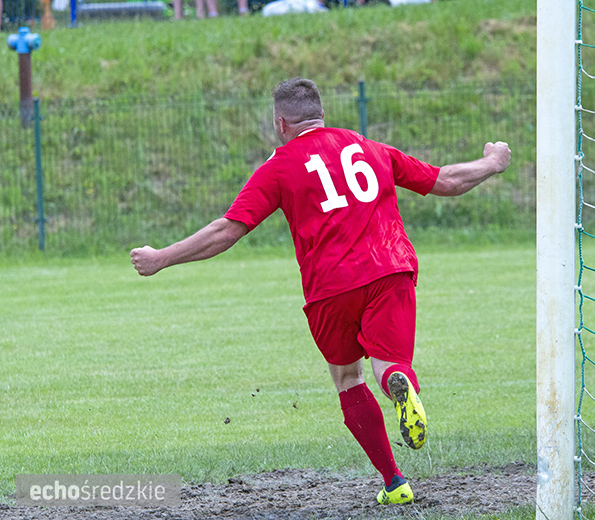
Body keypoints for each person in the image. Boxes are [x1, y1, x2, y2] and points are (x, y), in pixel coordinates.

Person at [130, 77, 511, 505]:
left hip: (329, 290)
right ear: (322, 114)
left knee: (348, 379)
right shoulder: (369, 147)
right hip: (389, 270)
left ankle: (394, 483)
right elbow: (446, 180)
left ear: (281, 123)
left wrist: (162, 257)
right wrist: (492, 163)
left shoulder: (278, 167)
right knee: (390, 366)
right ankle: (399, 382)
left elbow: (225, 231)